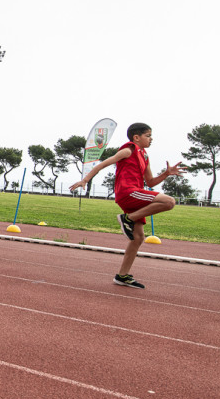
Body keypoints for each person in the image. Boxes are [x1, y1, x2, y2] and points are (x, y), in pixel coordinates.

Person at [69, 122, 184, 288]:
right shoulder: (128, 150)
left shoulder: (144, 156)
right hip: (128, 192)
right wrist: (85, 180)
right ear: (136, 137)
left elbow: (150, 181)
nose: (151, 139)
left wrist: (166, 174)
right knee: (169, 201)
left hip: (136, 193)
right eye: (148, 135)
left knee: (138, 238)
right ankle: (127, 218)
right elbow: (102, 164)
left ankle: (122, 276)